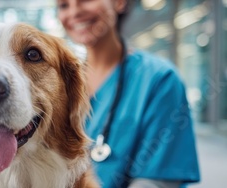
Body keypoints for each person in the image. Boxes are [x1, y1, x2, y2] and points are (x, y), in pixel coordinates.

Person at [57, 0, 200, 187]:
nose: (74, 12)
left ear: (119, 3)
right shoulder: (60, 84)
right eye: (63, 5)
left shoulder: (159, 80)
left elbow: (158, 181)